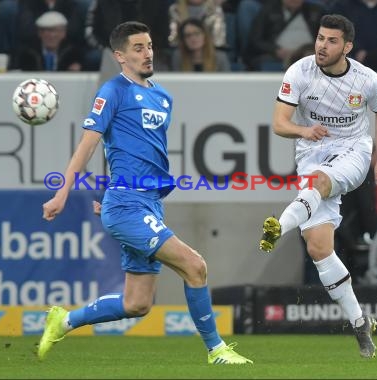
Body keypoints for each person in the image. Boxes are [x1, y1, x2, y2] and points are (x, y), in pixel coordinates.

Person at [37, 21, 252, 365]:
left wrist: (116, 195)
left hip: (145, 204)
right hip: (127, 207)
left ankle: (62, 321)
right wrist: (63, 194)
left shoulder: (162, 96)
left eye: (149, 46)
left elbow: (130, 152)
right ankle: (216, 350)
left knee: (136, 304)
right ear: (120, 56)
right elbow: (88, 145)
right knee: (195, 266)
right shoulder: (112, 91)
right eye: (138, 48)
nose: (147, 53)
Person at [258, 14, 377, 358]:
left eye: (332, 41)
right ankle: (360, 322)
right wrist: (304, 131)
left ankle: (279, 227)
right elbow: (278, 123)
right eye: (320, 38)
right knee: (318, 248)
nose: (322, 45)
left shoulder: (367, 80)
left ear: (347, 47)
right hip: (312, 152)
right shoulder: (299, 72)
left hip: (353, 152)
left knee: (318, 184)